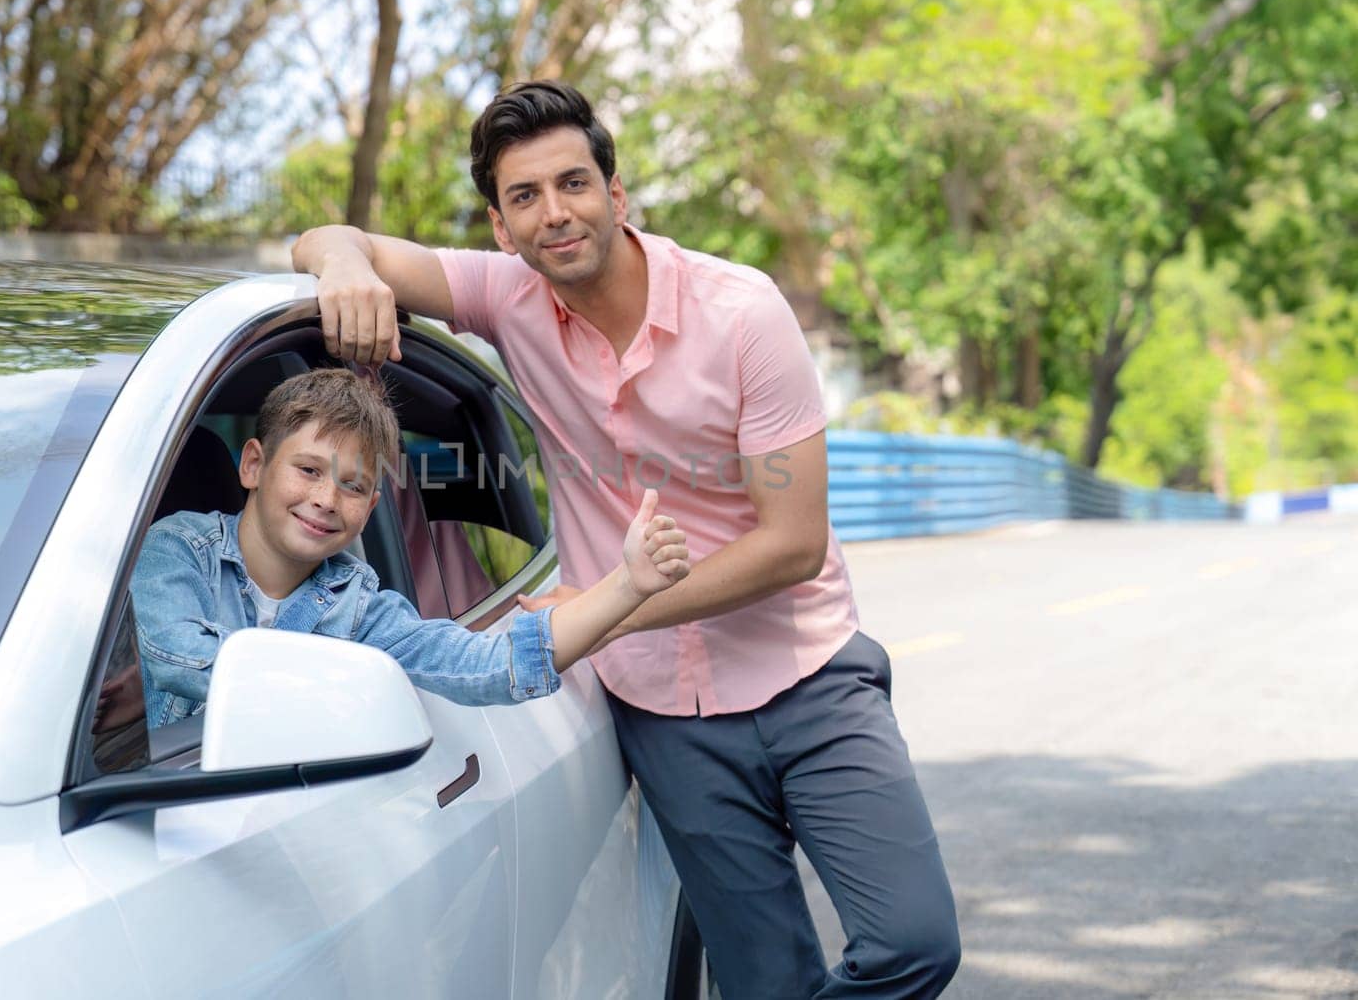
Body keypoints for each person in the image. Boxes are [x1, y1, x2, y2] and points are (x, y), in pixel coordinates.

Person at [291, 81, 961, 998]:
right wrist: (343, 269)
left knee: (915, 943)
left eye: (574, 183)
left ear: (618, 193)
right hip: (665, 716)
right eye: (525, 197)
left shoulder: (742, 313)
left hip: (808, 673)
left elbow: (794, 542)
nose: (555, 212)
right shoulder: (506, 296)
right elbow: (332, 240)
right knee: (766, 981)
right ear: (500, 225)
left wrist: (607, 607)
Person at [104, 366, 690, 730]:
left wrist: (628, 586)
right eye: (308, 469)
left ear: (372, 506)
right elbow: (180, 658)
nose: (327, 498)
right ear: (254, 464)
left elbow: (486, 665)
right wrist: (343, 690)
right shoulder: (178, 546)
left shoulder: (360, 608)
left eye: (354, 485)